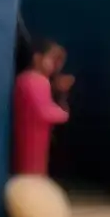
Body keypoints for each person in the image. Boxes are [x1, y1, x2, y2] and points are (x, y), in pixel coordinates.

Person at [13, 39, 74, 178]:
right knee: (33, 172)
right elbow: (45, 112)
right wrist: (64, 113)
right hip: (34, 136)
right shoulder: (37, 80)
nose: (55, 65)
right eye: (52, 58)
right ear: (37, 58)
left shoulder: (25, 78)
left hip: (28, 134)